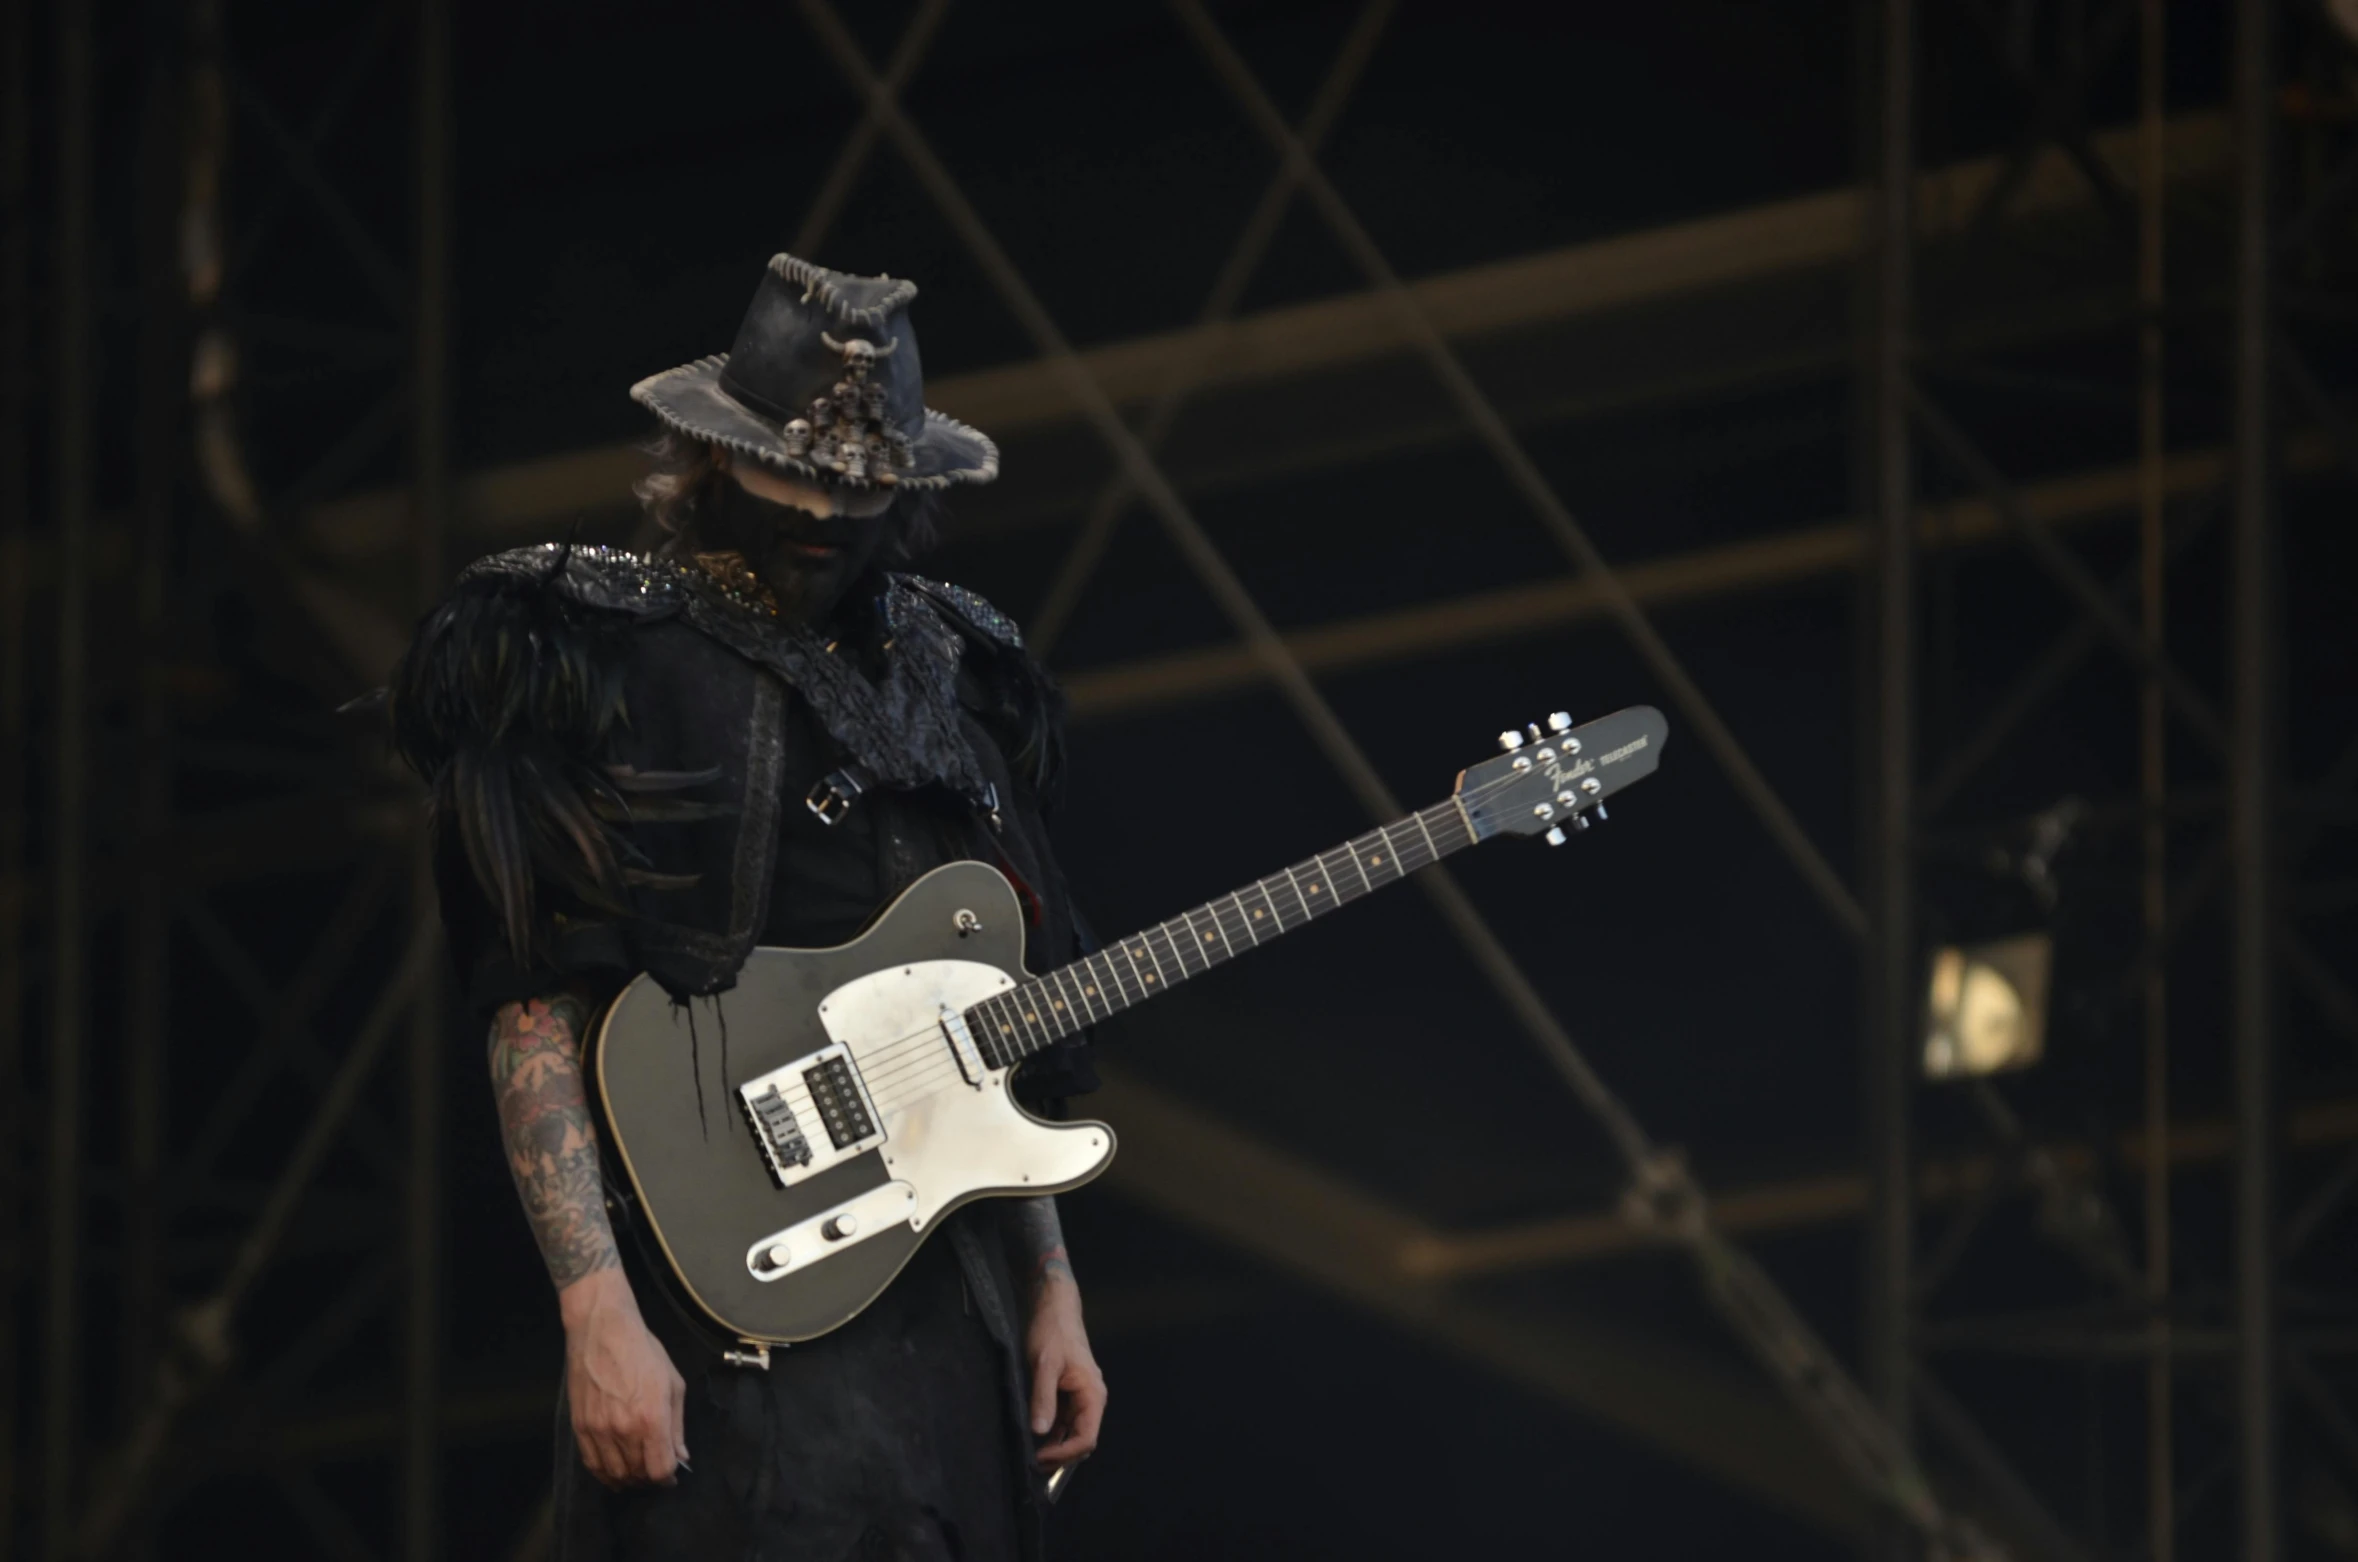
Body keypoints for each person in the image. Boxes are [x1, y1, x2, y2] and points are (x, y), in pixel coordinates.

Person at [388, 253, 1106, 1560]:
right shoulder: (606, 650)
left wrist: (1052, 1287)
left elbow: (985, 1020)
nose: (823, 514)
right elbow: (533, 996)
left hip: (951, 1313)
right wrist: (593, 1305)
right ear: (715, 452)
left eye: (856, 486)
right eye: (794, 473)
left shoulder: (960, 680)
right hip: (724, 1313)